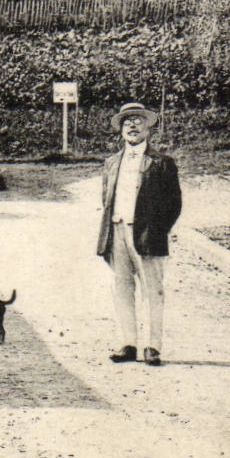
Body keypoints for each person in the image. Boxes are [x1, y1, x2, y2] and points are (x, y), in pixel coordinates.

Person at [96, 100, 182, 367]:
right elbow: (106, 197)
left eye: (138, 120)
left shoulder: (161, 162)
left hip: (147, 235)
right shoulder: (111, 162)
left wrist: (157, 230)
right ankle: (128, 343)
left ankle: (152, 346)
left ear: (148, 127)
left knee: (152, 290)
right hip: (117, 231)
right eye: (126, 121)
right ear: (120, 129)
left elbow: (174, 203)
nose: (132, 125)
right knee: (122, 289)